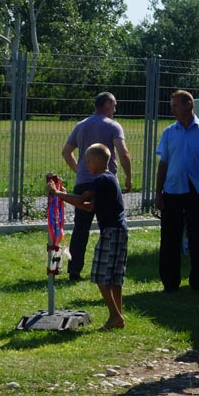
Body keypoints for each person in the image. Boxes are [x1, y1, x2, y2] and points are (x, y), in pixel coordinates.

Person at [48, 144, 129, 329]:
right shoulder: (109, 179)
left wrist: (56, 193)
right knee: (115, 278)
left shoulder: (101, 179)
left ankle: (115, 315)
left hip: (111, 232)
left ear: (99, 160)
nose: (86, 164)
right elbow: (87, 206)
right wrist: (63, 195)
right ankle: (118, 317)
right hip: (120, 231)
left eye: (89, 161)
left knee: (101, 276)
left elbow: (82, 199)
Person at [154, 90, 199, 293]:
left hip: (197, 191)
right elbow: (163, 164)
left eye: (176, 106)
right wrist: (158, 193)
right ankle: (170, 282)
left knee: (198, 238)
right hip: (173, 190)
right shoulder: (169, 132)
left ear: (188, 105)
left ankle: (198, 281)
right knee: (170, 238)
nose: (172, 110)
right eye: (172, 106)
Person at [61, 92, 134, 283]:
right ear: (107, 104)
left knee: (81, 228)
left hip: (83, 182)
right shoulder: (113, 126)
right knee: (109, 224)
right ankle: (108, 264)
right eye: (114, 105)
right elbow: (123, 153)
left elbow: (66, 152)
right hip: (105, 183)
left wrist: (79, 170)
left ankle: (74, 269)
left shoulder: (81, 125)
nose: (115, 109)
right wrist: (128, 177)